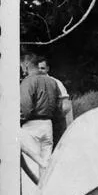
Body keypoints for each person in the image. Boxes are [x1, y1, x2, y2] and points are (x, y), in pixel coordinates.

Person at [20, 53, 61, 184]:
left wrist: (19, 119)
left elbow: (26, 108)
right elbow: (59, 107)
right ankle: (46, 194)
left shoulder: (28, 81)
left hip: (32, 125)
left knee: (31, 165)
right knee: (46, 165)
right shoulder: (52, 82)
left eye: (21, 66)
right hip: (48, 125)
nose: (21, 69)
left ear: (26, 65)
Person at [37, 58, 72, 142]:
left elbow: (66, 106)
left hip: (55, 123)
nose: (40, 71)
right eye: (38, 68)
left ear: (47, 69)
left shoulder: (56, 82)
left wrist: (55, 119)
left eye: (42, 68)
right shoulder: (32, 82)